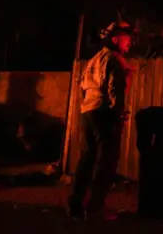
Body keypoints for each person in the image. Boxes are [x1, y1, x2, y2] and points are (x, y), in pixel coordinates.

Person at [67, 21, 135, 221]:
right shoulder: (114, 60)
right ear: (115, 39)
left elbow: (82, 87)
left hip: (88, 111)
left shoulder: (94, 60)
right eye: (126, 38)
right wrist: (119, 113)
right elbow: (115, 90)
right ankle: (95, 207)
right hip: (105, 112)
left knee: (88, 157)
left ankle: (75, 204)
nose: (129, 43)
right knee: (106, 161)